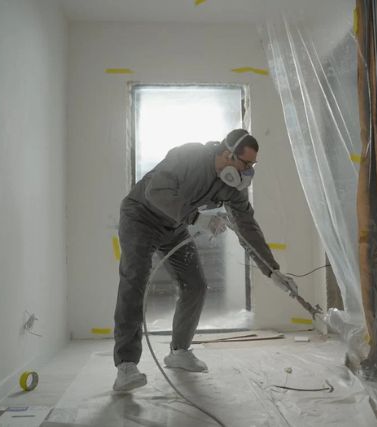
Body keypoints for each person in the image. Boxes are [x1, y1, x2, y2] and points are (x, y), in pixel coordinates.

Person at [113, 128, 298, 392]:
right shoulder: (188, 156)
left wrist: (272, 271)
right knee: (135, 281)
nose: (248, 172)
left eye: (252, 166)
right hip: (141, 217)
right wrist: (198, 219)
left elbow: (247, 226)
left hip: (174, 225)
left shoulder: (231, 186)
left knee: (195, 284)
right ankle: (126, 365)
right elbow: (156, 192)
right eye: (246, 164)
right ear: (227, 154)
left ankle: (179, 352)